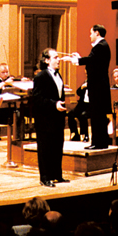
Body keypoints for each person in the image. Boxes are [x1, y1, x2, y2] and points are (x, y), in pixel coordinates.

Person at [70, 24, 112, 150]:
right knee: (98, 115)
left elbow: (92, 61)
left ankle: (98, 143)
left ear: (97, 33)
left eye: (91, 33)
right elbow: (93, 61)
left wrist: (77, 61)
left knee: (97, 115)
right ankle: (101, 142)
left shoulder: (100, 46)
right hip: (99, 86)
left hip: (98, 87)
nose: (90, 36)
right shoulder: (101, 46)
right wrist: (79, 59)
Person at [31, 48, 68, 187]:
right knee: (45, 149)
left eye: (58, 57)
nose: (58, 60)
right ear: (47, 60)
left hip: (57, 118)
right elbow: (37, 98)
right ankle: (45, 177)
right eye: (55, 57)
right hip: (45, 119)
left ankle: (57, 174)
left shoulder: (59, 75)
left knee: (57, 147)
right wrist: (54, 104)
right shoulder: (40, 76)